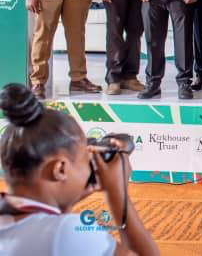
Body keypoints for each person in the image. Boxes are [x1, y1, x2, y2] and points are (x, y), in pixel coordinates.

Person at [0, 83, 159, 255]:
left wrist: (66, 202)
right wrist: (118, 192)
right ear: (61, 169)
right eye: (86, 158)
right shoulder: (66, 233)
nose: (90, 167)